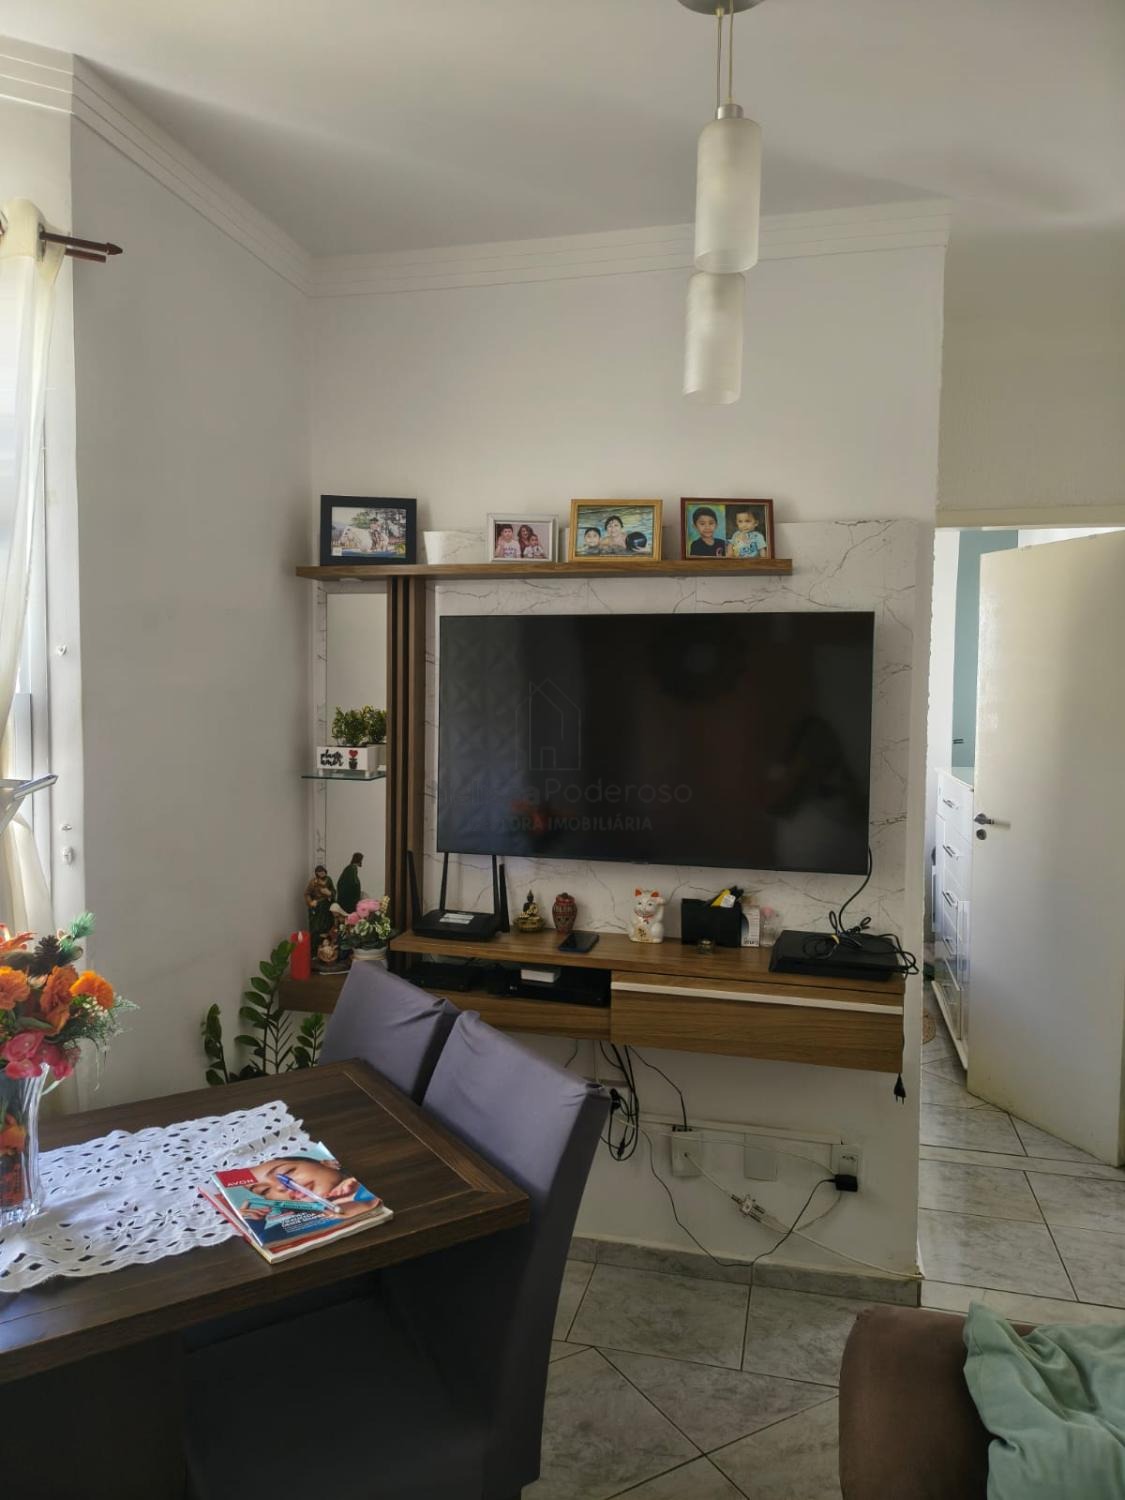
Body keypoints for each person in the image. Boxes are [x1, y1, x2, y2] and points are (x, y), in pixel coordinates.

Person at [304, 866, 336, 941]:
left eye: (323, 872)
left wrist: (329, 893)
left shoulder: (328, 880)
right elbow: (307, 894)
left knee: (327, 926)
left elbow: (334, 891)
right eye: (320, 872)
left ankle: (327, 943)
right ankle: (316, 944)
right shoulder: (313, 882)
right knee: (317, 927)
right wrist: (310, 902)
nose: (322, 873)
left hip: (327, 906)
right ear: (316, 873)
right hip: (317, 907)